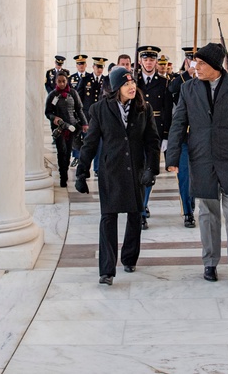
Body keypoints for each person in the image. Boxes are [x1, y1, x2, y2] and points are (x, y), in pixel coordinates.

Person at [166, 42, 228, 286]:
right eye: (195, 62)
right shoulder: (188, 89)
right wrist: (172, 158)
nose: (195, 67)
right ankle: (210, 262)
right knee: (207, 214)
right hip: (202, 159)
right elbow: (178, 124)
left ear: (216, 66)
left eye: (201, 63)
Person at [75, 67, 160, 285]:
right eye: (125, 84)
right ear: (115, 89)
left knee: (134, 216)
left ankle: (129, 258)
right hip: (111, 171)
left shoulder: (144, 108)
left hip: (135, 170)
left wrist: (152, 168)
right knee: (108, 218)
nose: (132, 87)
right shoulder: (100, 109)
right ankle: (106, 270)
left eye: (132, 83)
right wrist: (82, 171)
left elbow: (152, 141)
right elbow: (91, 142)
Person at [136, 45, 171, 229]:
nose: (149, 63)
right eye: (146, 59)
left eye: (152, 60)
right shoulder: (133, 81)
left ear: (156, 62)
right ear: (141, 61)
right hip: (136, 133)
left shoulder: (164, 82)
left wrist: (165, 136)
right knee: (138, 171)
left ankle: (142, 209)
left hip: (155, 134)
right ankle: (140, 206)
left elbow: (167, 112)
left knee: (150, 172)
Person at [167, 46, 197, 227]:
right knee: (185, 176)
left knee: (198, 177)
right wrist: (187, 73)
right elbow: (172, 89)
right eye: (190, 60)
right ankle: (188, 211)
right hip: (185, 138)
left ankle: (192, 203)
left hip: (201, 137)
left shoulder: (205, 79)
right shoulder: (178, 79)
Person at [44, 72, 88, 187]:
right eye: (59, 81)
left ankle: (66, 171)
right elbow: (47, 112)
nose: (62, 83)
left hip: (72, 127)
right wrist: (54, 118)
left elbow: (79, 109)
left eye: (64, 81)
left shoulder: (73, 93)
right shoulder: (52, 95)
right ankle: (62, 175)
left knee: (68, 151)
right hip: (59, 128)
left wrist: (84, 124)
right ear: (56, 82)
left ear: (67, 81)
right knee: (61, 151)